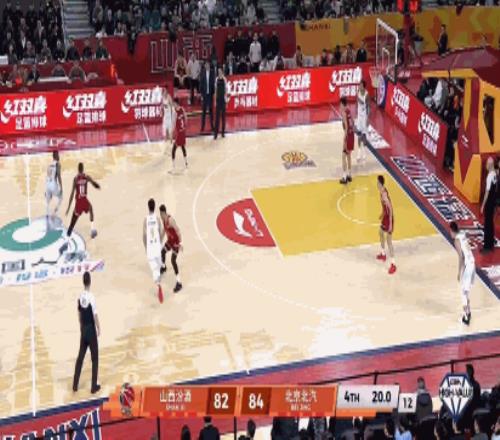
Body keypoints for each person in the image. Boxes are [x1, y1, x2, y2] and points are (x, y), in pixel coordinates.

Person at [72, 271, 101, 394]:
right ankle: (93, 386)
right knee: (95, 358)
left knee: (80, 357)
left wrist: (81, 326)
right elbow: (95, 315)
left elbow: (79, 313)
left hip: (83, 329)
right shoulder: (91, 297)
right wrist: (98, 327)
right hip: (91, 331)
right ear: (90, 282)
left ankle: (75, 385)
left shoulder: (80, 297)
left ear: (83, 282)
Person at [65, 162, 100, 240]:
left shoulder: (75, 179)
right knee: (91, 209)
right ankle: (92, 230)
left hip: (79, 203)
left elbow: (72, 194)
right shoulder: (86, 177)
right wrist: (97, 186)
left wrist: (68, 208)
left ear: (78, 169)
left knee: (72, 223)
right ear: (83, 169)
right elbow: (94, 183)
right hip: (84, 201)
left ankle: (67, 240)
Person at [449, 222, 474, 325]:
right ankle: (468, 312)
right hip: (472, 263)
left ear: (452, 230)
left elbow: (461, 257)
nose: (449, 233)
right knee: (465, 291)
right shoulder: (462, 234)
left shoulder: (456, 240)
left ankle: (466, 317)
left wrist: (459, 272)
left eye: (450, 231)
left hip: (468, 266)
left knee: (463, 292)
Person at [143, 198, 164, 304]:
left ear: (148, 207)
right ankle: (159, 276)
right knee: (159, 265)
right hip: (157, 246)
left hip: (150, 247)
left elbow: (144, 235)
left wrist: (145, 247)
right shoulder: (157, 218)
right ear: (154, 207)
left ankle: (158, 284)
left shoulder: (146, 219)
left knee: (154, 269)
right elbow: (161, 232)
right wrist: (160, 242)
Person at [159, 204, 183, 293]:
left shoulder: (170, 220)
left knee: (173, 261)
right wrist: (160, 241)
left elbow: (178, 230)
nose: (160, 216)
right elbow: (163, 231)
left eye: (161, 214)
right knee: (162, 252)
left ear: (163, 213)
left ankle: (179, 282)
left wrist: (180, 243)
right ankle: (163, 267)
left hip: (176, 242)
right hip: (170, 241)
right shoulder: (163, 220)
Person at [376, 175, 397, 275]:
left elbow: (390, 208)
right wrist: (382, 213)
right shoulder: (381, 191)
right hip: (385, 217)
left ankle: (393, 264)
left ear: (380, 184)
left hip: (389, 219)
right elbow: (384, 207)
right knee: (380, 232)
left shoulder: (384, 194)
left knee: (389, 241)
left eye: (377, 183)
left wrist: (390, 224)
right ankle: (383, 253)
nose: (376, 184)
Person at [480, 156, 497, 253]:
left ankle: (487, 246)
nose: (485, 165)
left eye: (487, 163)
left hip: (489, 203)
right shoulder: (495, 174)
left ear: (490, 165)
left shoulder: (490, 176)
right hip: (493, 202)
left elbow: (487, 192)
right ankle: (491, 244)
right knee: (491, 223)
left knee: (487, 224)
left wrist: (483, 205)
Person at [339, 97, 354, 184]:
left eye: (340, 104)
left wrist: (344, 138)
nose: (339, 105)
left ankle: (344, 177)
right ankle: (349, 175)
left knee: (343, 156)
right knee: (349, 156)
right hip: (352, 135)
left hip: (348, 135)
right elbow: (353, 123)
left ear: (342, 104)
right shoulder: (349, 111)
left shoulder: (344, 113)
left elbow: (346, 127)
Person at [170, 98, 188, 172]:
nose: (173, 104)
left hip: (179, 133)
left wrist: (171, 134)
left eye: (174, 103)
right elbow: (186, 118)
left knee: (173, 149)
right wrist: (184, 127)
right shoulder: (182, 109)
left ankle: (173, 167)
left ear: (176, 104)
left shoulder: (175, 112)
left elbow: (174, 124)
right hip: (183, 131)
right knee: (183, 147)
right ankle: (186, 163)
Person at [45, 151, 63, 219]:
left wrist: (46, 188)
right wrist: (61, 187)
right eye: (58, 155)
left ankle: (47, 215)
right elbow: (59, 176)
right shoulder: (57, 164)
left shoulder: (49, 165)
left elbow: (47, 175)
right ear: (56, 156)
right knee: (61, 198)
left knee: (47, 201)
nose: (59, 156)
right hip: (53, 184)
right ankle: (54, 213)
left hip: (47, 183)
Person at [355, 79, 369, 162]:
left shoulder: (367, 95)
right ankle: (359, 152)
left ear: (363, 86)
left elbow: (368, 107)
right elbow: (356, 103)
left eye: (360, 85)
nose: (359, 86)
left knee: (364, 135)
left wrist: (368, 118)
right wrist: (355, 114)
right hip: (359, 117)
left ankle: (364, 152)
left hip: (364, 117)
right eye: (359, 85)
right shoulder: (358, 92)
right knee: (359, 134)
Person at [199, 61, 215, 132]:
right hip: (204, 95)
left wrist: (213, 93)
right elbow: (201, 84)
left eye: (208, 64)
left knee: (211, 111)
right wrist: (201, 95)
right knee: (204, 112)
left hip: (210, 95)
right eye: (206, 65)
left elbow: (213, 83)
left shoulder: (212, 72)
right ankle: (202, 127)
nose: (207, 66)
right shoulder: (202, 73)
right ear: (205, 66)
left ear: (209, 65)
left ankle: (212, 126)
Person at [214, 67, 228, 140]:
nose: (219, 72)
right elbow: (215, 90)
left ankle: (223, 133)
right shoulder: (216, 79)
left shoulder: (225, 79)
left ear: (222, 72)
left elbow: (226, 90)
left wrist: (226, 100)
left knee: (223, 117)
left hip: (223, 100)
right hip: (218, 100)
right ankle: (215, 134)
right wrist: (215, 101)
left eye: (220, 71)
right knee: (217, 118)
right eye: (218, 71)